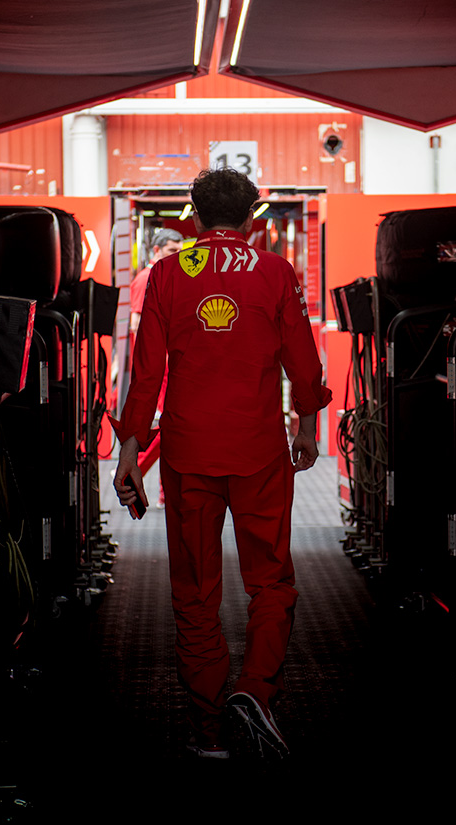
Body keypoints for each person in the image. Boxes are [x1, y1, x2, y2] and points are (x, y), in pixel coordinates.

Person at [113, 168, 331, 760]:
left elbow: (147, 374)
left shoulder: (167, 273)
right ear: (252, 216)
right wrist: (307, 428)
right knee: (271, 581)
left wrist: (130, 449)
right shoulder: (276, 271)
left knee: (195, 590)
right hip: (258, 450)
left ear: (195, 215)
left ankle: (208, 731)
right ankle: (255, 690)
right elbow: (303, 364)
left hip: (188, 452)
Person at [126, 227, 185, 507]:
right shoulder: (147, 278)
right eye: (172, 251)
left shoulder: (164, 276)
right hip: (159, 369)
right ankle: (132, 470)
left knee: (171, 430)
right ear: (157, 250)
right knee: (166, 426)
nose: (177, 256)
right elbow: (137, 325)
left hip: (167, 365)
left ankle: (164, 492)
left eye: (179, 251)